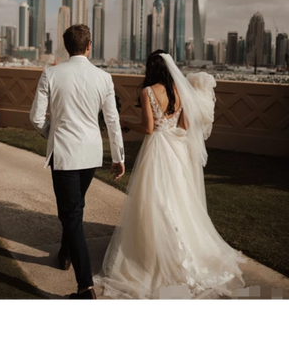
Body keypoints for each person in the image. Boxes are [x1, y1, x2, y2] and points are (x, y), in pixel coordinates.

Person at [94, 50, 246, 302]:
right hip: (176, 148)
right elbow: (185, 125)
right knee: (179, 198)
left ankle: (156, 253)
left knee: (155, 199)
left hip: (157, 149)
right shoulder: (179, 90)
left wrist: (128, 125)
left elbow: (149, 128)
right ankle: (184, 249)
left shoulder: (147, 92)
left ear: (150, 69)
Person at [30, 24, 125, 303]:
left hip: (66, 154)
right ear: (89, 45)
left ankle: (85, 289)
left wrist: (53, 135)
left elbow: (36, 118)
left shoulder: (52, 72)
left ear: (66, 46)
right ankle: (65, 253)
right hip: (91, 156)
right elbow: (112, 122)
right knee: (74, 210)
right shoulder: (104, 77)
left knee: (71, 214)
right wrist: (118, 157)